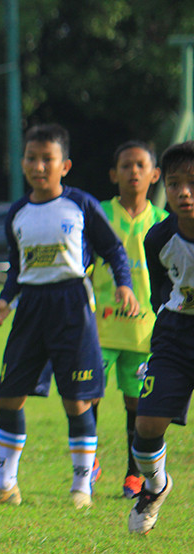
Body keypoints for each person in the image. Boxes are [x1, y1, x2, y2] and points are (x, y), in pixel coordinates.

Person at [0, 123, 139, 510]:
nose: (38, 166)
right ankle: (4, 486)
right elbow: (17, 267)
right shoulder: (18, 213)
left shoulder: (80, 204)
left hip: (72, 304)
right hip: (31, 308)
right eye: (31, 158)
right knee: (8, 395)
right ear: (23, 163)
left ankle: (82, 488)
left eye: (48, 159)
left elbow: (114, 250)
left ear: (65, 165)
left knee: (76, 401)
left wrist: (124, 285)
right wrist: (4, 301)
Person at [90, 141, 168, 498]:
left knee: (137, 405)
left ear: (154, 175)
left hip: (143, 330)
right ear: (113, 174)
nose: (133, 172)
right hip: (99, 326)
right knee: (87, 396)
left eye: (140, 165)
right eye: (125, 165)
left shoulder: (164, 222)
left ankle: (133, 474)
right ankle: (87, 460)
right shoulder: (100, 213)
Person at [126, 140, 194, 534]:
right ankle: (155, 486)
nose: (183, 192)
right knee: (146, 427)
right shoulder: (157, 239)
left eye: (192, 183)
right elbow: (159, 294)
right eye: (174, 184)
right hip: (175, 335)